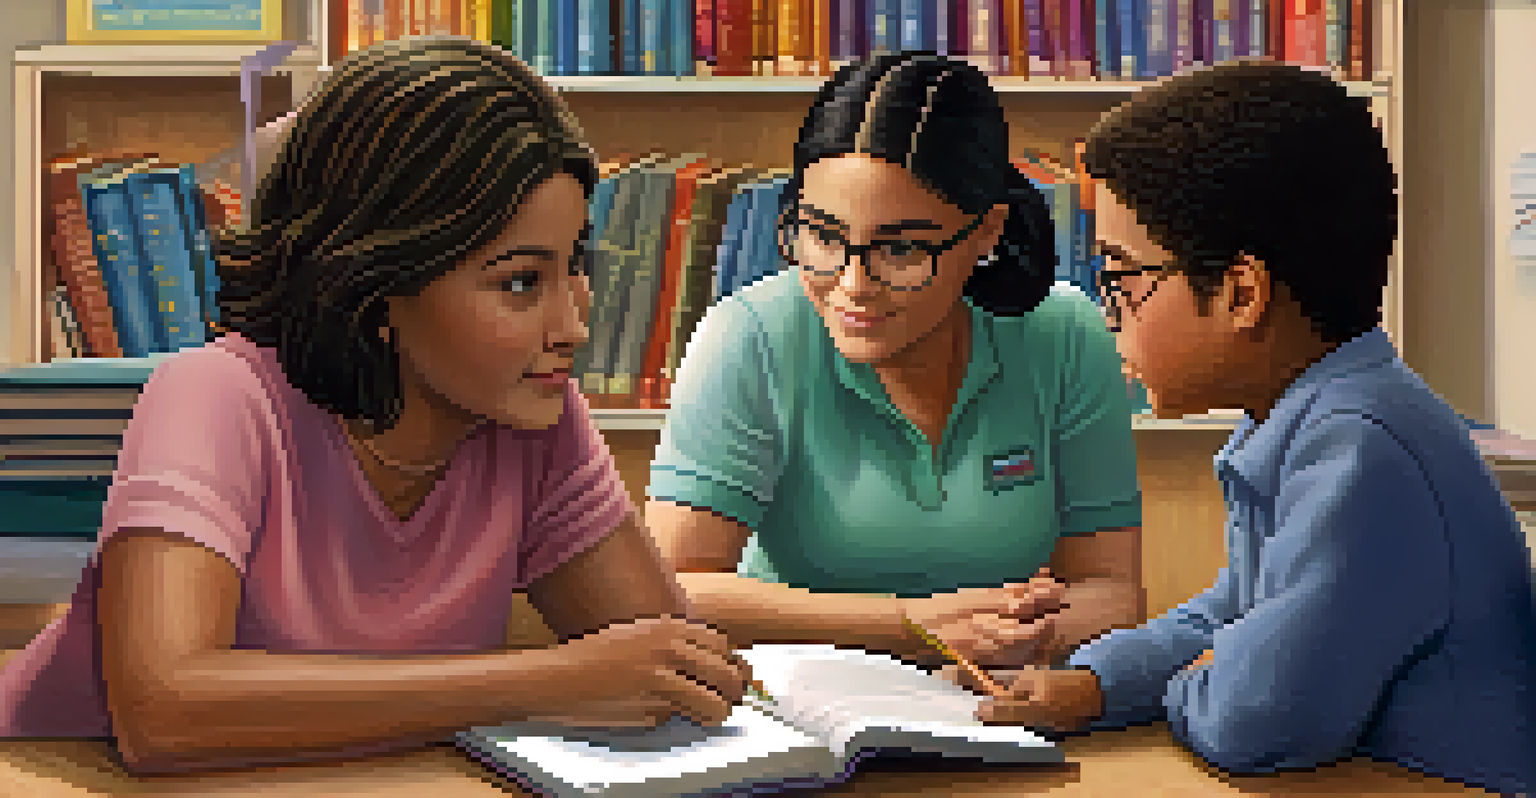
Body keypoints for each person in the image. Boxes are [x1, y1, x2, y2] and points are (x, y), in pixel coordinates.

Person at [0, 38, 750, 773]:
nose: (575, 325)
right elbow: (162, 707)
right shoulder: (217, 398)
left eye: (575, 264)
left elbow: (660, 660)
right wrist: (553, 680)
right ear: (376, 285)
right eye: (522, 282)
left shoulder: (532, 414)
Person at [966, 60, 1536, 796]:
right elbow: (1227, 617)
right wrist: (1094, 684)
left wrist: (1205, 672)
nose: (1110, 313)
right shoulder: (1305, 422)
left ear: (1241, 293)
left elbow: (1254, 720)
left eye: (1122, 278)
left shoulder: (1362, 451)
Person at [645, 51, 1145, 677]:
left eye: (902, 249)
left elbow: (1112, 592)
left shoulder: (1067, 334)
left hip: (993, 702)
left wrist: (1020, 638)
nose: (853, 285)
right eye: (823, 236)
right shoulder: (748, 335)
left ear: (987, 234)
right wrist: (912, 625)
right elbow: (673, 590)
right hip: (803, 710)